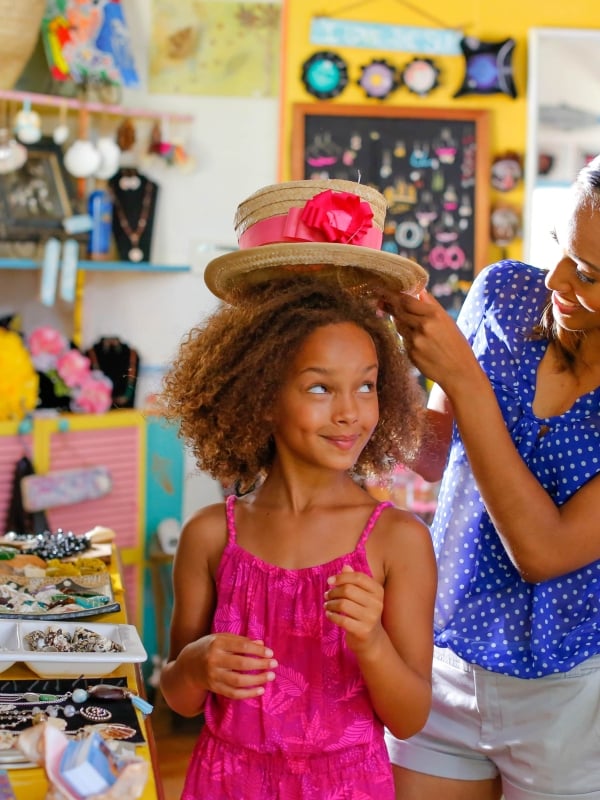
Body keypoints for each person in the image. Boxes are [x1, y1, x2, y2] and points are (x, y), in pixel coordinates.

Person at [158, 179, 437, 799]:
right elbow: (176, 699)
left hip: (350, 784)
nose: (350, 412)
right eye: (319, 387)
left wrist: (370, 640)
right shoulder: (210, 535)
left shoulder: (398, 541)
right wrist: (197, 665)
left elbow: (411, 715)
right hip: (225, 782)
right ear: (257, 397)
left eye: (366, 385)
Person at [383, 156, 600, 800]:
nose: (556, 277)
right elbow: (433, 453)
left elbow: (544, 551)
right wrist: (369, 359)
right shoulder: (505, 293)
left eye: (589, 272)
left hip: (569, 696)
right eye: (559, 245)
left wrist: (464, 379)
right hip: (441, 658)